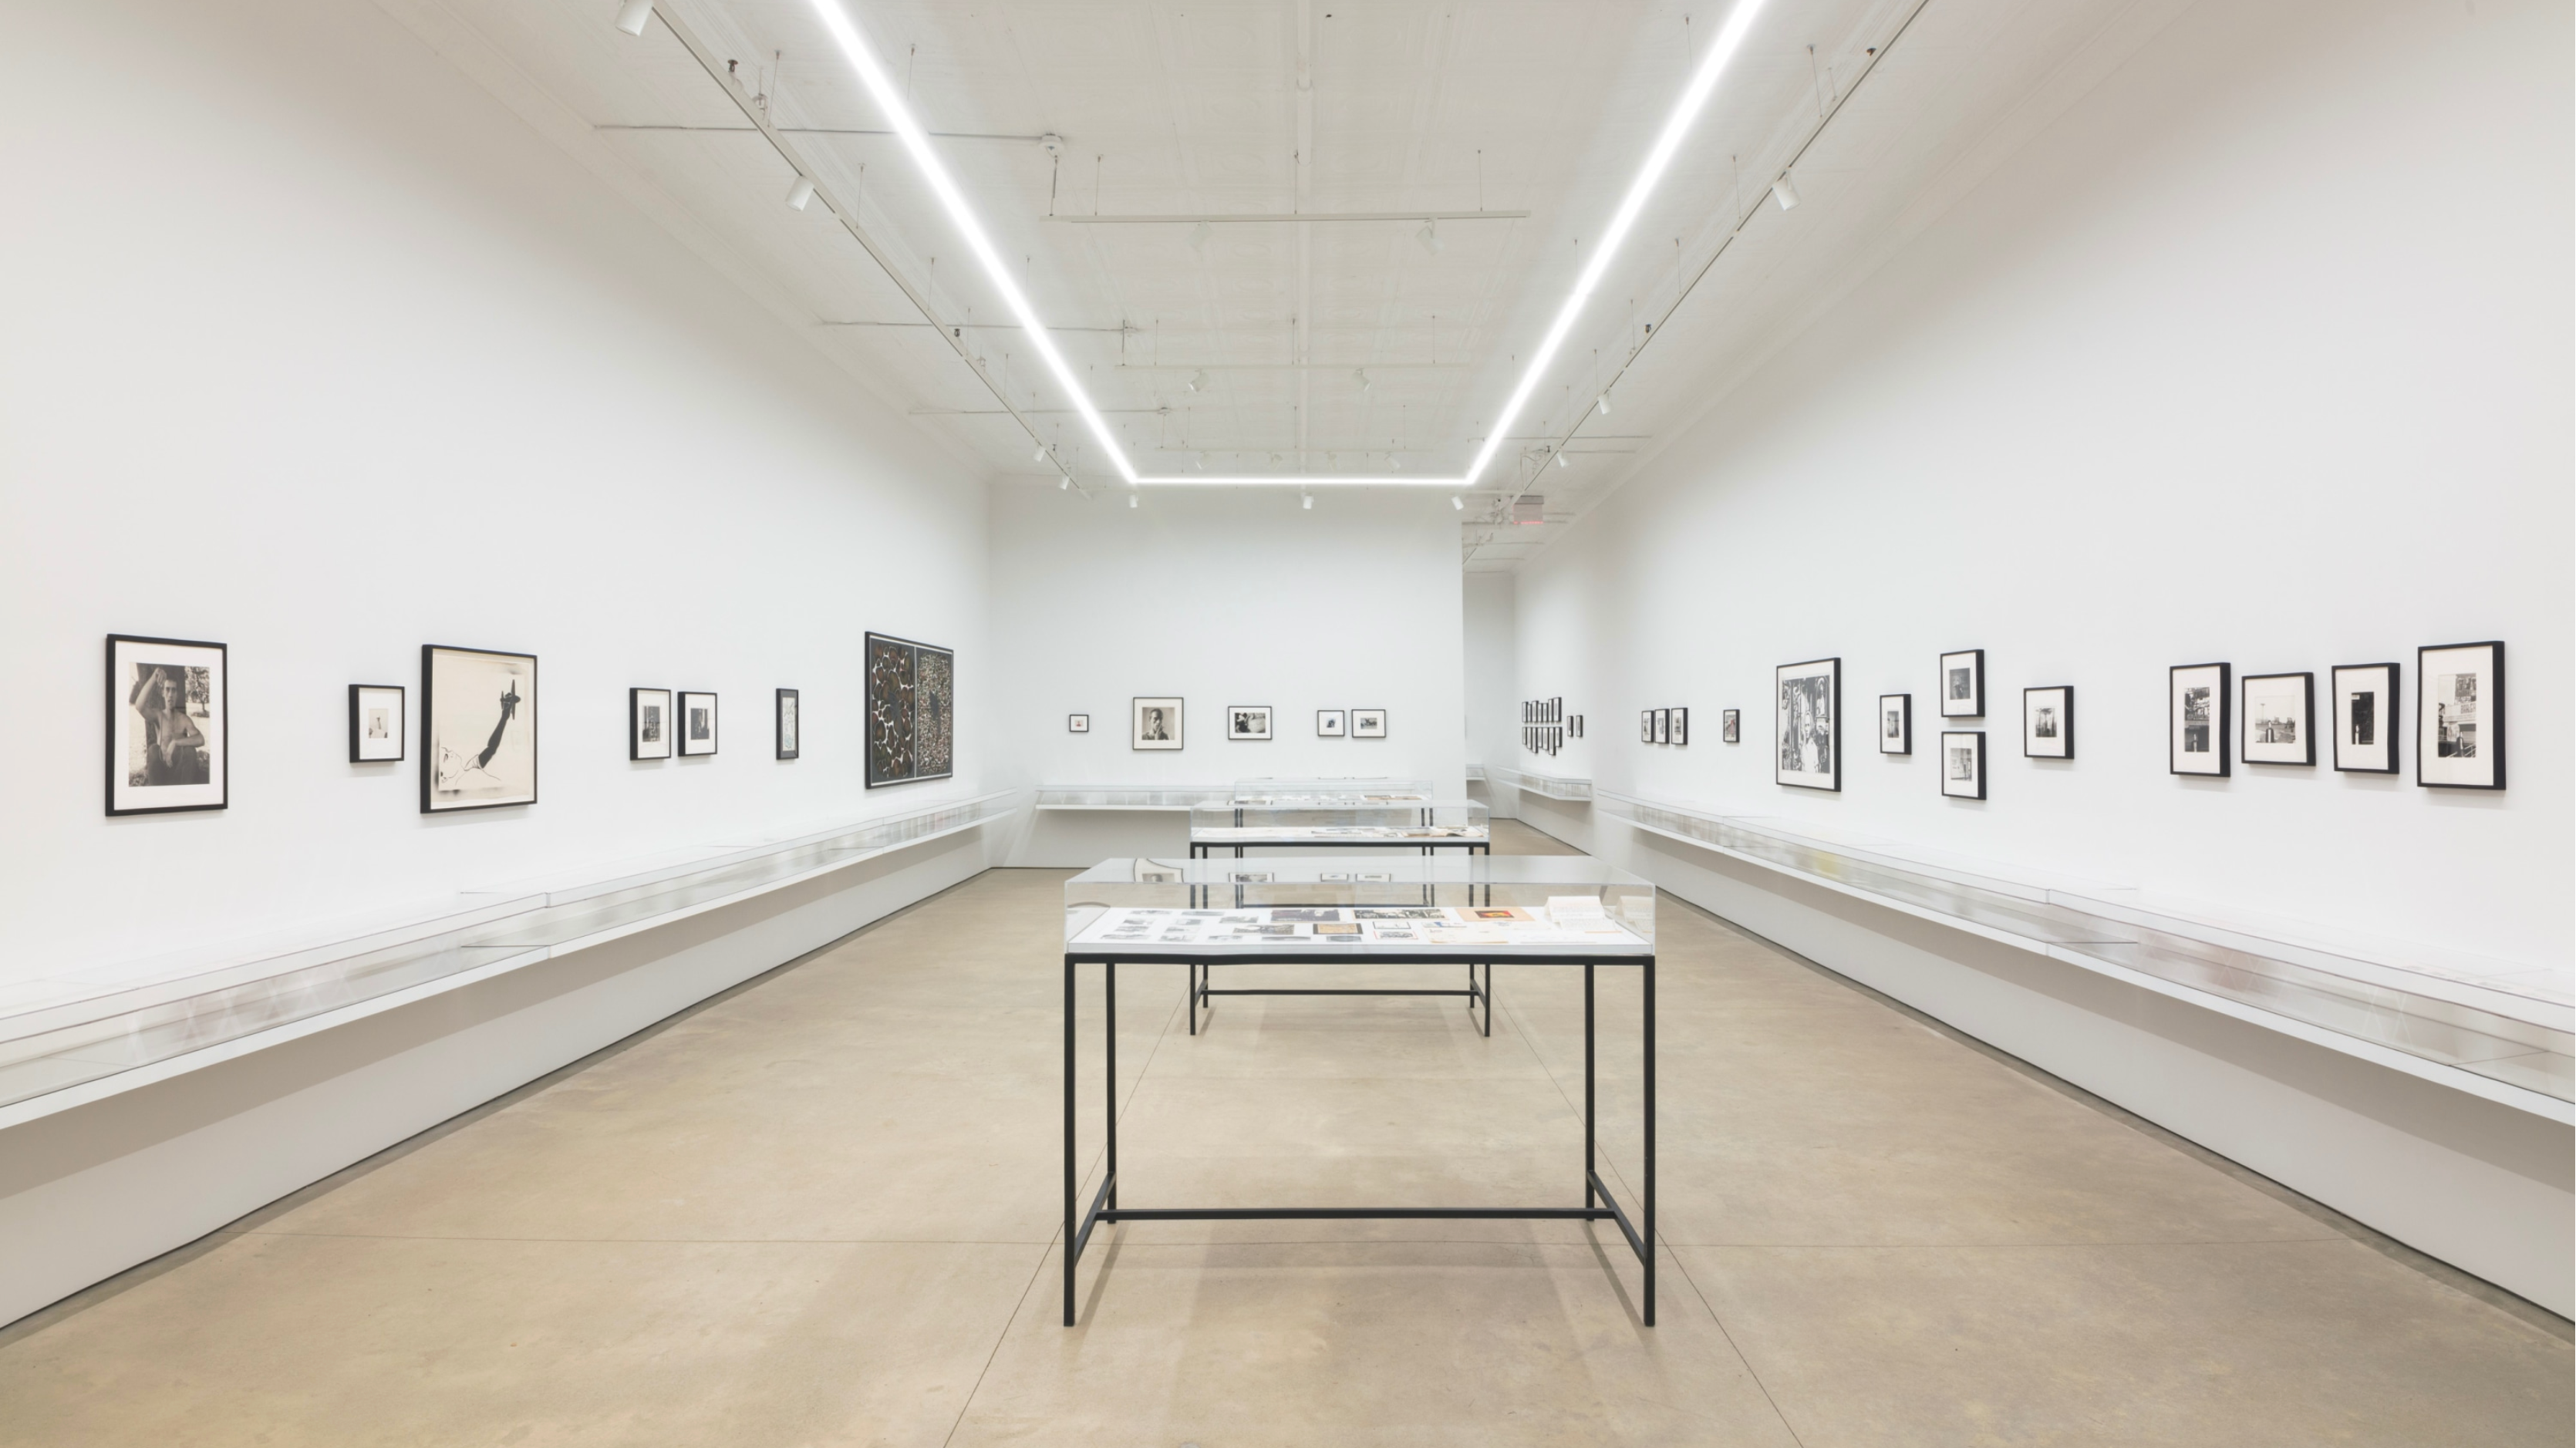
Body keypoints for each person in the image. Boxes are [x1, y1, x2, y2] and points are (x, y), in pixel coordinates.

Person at [130, 665, 208, 786]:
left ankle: (185, 796)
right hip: (161, 773)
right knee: (153, 750)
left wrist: (176, 742)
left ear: (177, 694)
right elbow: (139, 706)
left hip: (179, 772)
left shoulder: (184, 720)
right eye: (167, 689)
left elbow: (201, 739)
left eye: (173, 690)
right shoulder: (158, 716)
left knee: (190, 751)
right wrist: (154, 677)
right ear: (163, 693)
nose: (170, 694)